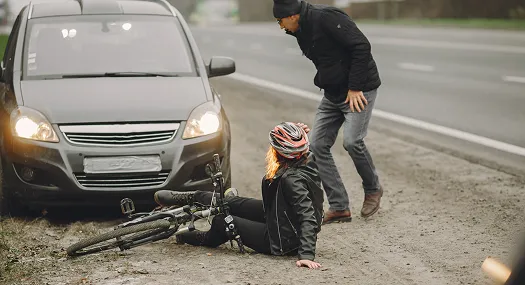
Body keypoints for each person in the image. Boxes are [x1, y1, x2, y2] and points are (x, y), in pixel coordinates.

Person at [154, 122, 325, 269]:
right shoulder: (307, 158)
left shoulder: (292, 180)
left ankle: (201, 237)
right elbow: (297, 148)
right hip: (280, 215)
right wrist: (294, 135)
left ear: (280, 152)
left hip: (282, 239)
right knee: (230, 202)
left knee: (223, 220)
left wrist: (306, 255)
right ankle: (190, 197)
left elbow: (308, 216)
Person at [273, 0, 383, 223]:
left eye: (280, 20)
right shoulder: (301, 30)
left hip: (358, 91)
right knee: (316, 145)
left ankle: (373, 189)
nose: (280, 26)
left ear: (292, 15)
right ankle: (340, 206)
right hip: (333, 94)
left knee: (352, 141)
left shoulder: (327, 17)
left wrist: (354, 87)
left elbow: (361, 46)